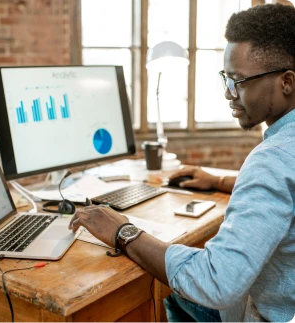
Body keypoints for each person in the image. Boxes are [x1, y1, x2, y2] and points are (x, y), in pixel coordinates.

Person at [69, 4, 295, 322]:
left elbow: (216, 281)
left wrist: (124, 232)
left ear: (287, 82)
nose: (229, 94)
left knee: (175, 294)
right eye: (225, 78)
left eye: (239, 81)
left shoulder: (271, 162)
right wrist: (219, 182)